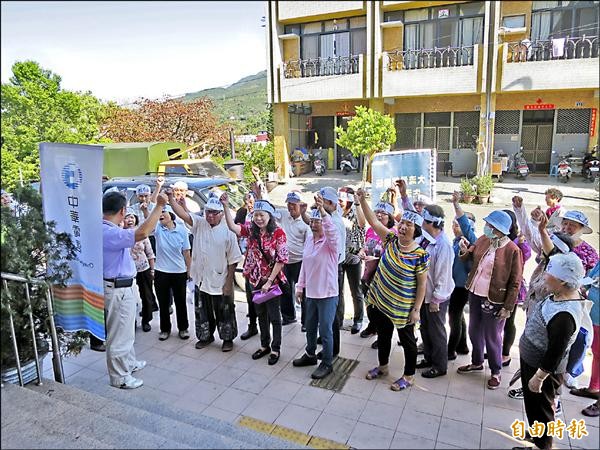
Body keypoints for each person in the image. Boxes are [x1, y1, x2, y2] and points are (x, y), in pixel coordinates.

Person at [357, 188, 429, 392]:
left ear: (416, 231)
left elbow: (422, 284)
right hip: (382, 300)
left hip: (403, 306)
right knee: (383, 335)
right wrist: (363, 200)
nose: (404, 227)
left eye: (409, 225)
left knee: (407, 341)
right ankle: (383, 367)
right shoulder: (390, 240)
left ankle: (409, 376)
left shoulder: (420, 254)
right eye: (402, 223)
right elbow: (373, 222)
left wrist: (416, 310)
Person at [518, 253, 591, 450]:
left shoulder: (565, 316)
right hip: (532, 360)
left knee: (542, 409)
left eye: (549, 273)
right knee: (534, 406)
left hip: (543, 369)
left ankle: (543, 445)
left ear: (562, 281)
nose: (545, 275)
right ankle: (537, 433)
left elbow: (556, 352)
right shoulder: (559, 294)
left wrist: (539, 377)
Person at [102, 190, 166, 389]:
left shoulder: (108, 228)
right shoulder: (108, 231)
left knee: (127, 329)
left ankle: (128, 364)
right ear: (123, 210)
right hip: (116, 288)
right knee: (119, 334)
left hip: (124, 286)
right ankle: (120, 377)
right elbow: (142, 233)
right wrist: (160, 206)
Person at [457, 210, 523, 390]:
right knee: (473, 329)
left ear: (500, 229)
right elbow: (469, 256)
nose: (486, 227)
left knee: (492, 335)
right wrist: (464, 251)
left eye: (490, 225)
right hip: (475, 292)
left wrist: (508, 306)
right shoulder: (483, 240)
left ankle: (495, 371)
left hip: (495, 298)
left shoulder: (512, 250)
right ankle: (477, 361)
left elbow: (515, 281)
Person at [169, 193, 242, 352]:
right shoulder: (200, 224)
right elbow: (182, 214)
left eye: (214, 212)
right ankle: (206, 337)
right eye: (208, 211)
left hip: (221, 280)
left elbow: (233, 260)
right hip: (201, 279)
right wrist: (171, 199)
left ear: (221, 214)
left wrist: (229, 283)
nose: (210, 215)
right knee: (202, 312)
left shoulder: (228, 231)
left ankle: (227, 339)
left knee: (225, 312)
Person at [222, 195, 288, 365]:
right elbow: (232, 227)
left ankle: (276, 348)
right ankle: (264, 345)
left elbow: (281, 259)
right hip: (254, 279)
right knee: (260, 314)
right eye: (256, 215)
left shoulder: (278, 233)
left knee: (274, 316)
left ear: (270, 216)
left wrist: (269, 281)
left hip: (271, 281)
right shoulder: (252, 230)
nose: (259, 219)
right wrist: (225, 205)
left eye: (262, 215)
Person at [293, 197, 339, 379]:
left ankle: (327, 363)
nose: (313, 224)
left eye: (316, 221)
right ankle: (310, 355)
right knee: (310, 327)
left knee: (326, 331)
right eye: (311, 221)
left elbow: (332, 231)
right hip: (311, 292)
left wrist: (323, 213)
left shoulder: (330, 243)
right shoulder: (310, 240)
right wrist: (300, 287)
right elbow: (305, 265)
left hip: (327, 293)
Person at [415, 204, 455, 378]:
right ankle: (429, 358)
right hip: (424, 294)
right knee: (425, 328)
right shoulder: (427, 239)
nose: (421, 222)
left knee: (436, 331)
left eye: (424, 220)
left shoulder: (443, 245)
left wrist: (436, 300)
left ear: (432, 223)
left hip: (436, 296)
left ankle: (440, 365)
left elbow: (443, 275)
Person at [358, 201, 397, 344]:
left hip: (383, 276)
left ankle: (383, 336)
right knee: (370, 304)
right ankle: (372, 326)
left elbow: (391, 256)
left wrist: (375, 258)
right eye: (377, 212)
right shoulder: (370, 230)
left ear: (390, 216)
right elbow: (366, 245)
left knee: (382, 309)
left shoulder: (393, 233)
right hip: (368, 273)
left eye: (383, 213)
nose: (379, 215)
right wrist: (362, 251)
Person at [315, 187, 346, 358]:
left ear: (332, 204)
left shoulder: (335, 222)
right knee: (324, 308)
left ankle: (333, 349)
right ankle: (327, 338)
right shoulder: (327, 218)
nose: (319, 207)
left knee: (331, 310)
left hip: (333, 269)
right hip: (326, 268)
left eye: (323, 203)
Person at [154, 206, 191, 341]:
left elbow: (186, 252)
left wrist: (189, 269)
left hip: (179, 272)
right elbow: (149, 215)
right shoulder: (158, 228)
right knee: (163, 303)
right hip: (161, 271)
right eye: (160, 213)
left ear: (171, 214)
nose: (161, 215)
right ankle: (164, 329)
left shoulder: (182, 230)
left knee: (180, 301)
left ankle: (183, 328)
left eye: (164, 212)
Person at [500, 209, 532, 368]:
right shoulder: (497, 238)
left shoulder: (519, 241)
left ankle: (505, 354)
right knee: (496, 321)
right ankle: (496, 348)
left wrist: (521, 242)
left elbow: (526, 255)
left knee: (508, 322)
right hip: (496, 286)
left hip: (513, 287)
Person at [447, 192, 477, 359]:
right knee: (457, 316)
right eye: (453, 224)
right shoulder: (455, 240)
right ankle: (462, 346)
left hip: (461, 286)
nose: (455, 226)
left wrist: (456, 205)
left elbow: (464, 224)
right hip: (454, 284)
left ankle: (450, 351)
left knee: (454, 318)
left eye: (457, 224)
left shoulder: (472, 240)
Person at [276, 191, 309, 326]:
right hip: (285, 262)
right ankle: (288, 317)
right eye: (289, 203)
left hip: (300, 261)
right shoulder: (284, 215)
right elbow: (268, 210)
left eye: (293, 204)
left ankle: (306, 322)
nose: (290, 207)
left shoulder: (307, 221)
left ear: (301, 205)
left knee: (304, 292)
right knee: (285, 289)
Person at [571, 261, 600, 415]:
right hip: (594, 317)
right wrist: (579, 286)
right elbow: (589, 281)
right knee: (597, 354)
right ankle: (594, 388)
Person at [338, 186, 366, 334]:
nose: (339, 202)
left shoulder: (356, 212)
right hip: (338, 258)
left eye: (342, 199)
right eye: (338, 199)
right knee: (338, 291)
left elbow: (362, 224)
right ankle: (338, 320)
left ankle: (358, 319)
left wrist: (357, 202)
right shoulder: (335, 212)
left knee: (356, 290)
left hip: (354, 256)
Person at [123, 210, 157, 332]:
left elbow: (150, 253)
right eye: (127, 217)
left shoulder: (142, 234)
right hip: (126, 272)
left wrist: (152, 270)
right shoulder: (120, 234)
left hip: (143, 268)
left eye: (132, 217)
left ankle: (146, 320)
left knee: (146, 295)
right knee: (128, 298)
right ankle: (131, 321)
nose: (130, 220)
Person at [235, 191, 260, 341]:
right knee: (250, 297)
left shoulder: (261, 216)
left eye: (252, 201)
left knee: (262, 299)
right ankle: (252, 325)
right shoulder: (242, 212)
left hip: (262, 267)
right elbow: (236, 228)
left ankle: (266, 329)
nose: (249, 203)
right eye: (247, 200)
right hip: (247, 261)